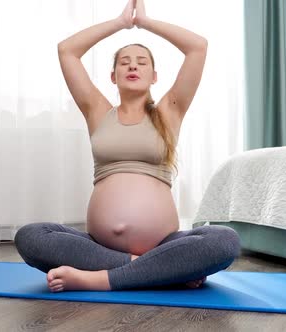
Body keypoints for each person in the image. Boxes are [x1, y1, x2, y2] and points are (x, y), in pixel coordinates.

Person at [15, 0, 240, 292]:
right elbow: (67, 50)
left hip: (164, 242)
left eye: (142, 61)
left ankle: (100, 279)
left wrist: (144, 22)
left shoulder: (169, 110)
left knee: (224, 241)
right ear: (114, 76)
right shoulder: (98, 111)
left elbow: (197, 46)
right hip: (101, 246)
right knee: (31, 236)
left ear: (154, 76)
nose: (133, 64)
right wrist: (120, 22)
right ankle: (158, 269)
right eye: (124, 62)